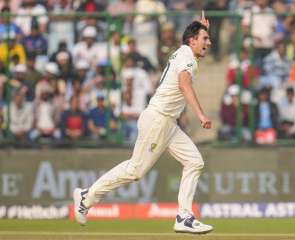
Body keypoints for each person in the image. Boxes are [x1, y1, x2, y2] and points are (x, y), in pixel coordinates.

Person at [73, 17, 213, 234]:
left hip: (168, 123)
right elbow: (184, 85)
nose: (209, 42)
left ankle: (184, 217)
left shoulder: (185, 52)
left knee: (195, 162)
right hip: (158, 119)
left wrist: (203, 28)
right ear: (192, 41)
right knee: (135, 170)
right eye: (205, 38)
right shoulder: (186, 55)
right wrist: (201, 114)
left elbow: (190, 53)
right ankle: (87, 196)